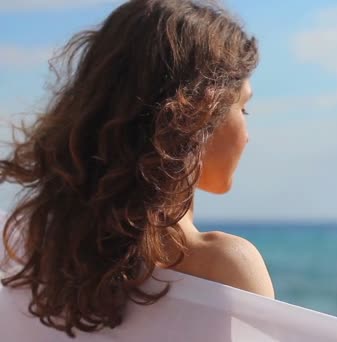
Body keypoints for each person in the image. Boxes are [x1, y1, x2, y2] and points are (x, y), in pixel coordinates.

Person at [0, 0, 274, 338]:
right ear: (200, 113)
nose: (247, 136)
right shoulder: (226, 266)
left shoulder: (28, 250)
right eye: (243, 109)